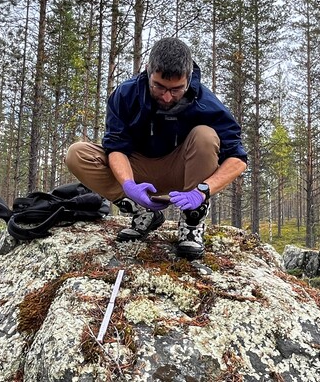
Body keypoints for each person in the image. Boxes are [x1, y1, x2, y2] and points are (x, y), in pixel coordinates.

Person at [65, 37, 247, 260]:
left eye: (176, 89)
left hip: (184, 173)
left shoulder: (207, 104)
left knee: (205, 136)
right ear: (148, 70)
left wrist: (202, 191)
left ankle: (192, 221)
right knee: (77, 154)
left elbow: (238, 159)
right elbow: (116, 146)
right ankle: (142, 211)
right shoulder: (125, 95)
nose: (167, 96)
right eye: (159, 86)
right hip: (138, 170)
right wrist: (129, 185)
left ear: (189, 79)